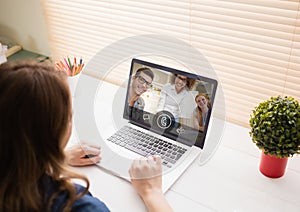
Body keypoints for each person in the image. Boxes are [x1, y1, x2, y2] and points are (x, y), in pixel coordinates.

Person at [0, 61, 172, 212]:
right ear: (52, 133)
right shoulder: (78, 207)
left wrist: (57, 158)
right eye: (69, 115)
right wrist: (153, 193)